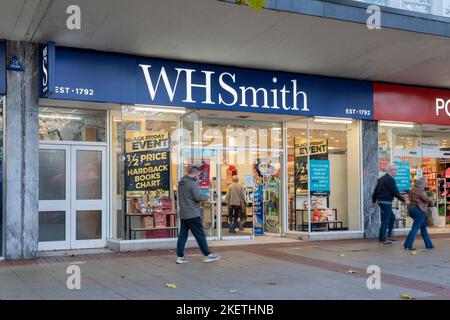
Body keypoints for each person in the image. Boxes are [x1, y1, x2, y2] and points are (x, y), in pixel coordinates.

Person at [176, 166, 221, 264]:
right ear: (196, 173)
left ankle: (180, 257)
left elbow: (190, 195)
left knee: (183, 235)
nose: (199, 176)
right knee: (200, 234)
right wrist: (206, 196)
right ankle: (208, 255)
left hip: (184, 213)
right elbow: (197, 197)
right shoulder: (193, 183)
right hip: (193, 213)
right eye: (198, 174)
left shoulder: (181, 182)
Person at [371, 163, 406, 244]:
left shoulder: (381, 179)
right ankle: (382, 239)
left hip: (381, 201)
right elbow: (395, 192)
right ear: (391, 170)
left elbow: (375, 191)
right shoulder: (390, 179)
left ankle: (388, 236)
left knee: (392, 217)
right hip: (386, 202)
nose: (396, 171)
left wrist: (373, 201)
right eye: (395, 169)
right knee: (385, 220)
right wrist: (404, 200)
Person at [403, 178, 434, 250]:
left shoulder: (413, 189)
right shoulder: (420, 190)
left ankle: (429, 244)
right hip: (419, 210)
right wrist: (431, 198)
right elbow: (426, 199)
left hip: (411, 209)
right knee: (415, 228)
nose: (426, 184)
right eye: (425, 183)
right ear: (422, 183)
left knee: (423, 228)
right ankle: (408, 245)